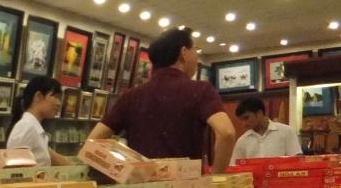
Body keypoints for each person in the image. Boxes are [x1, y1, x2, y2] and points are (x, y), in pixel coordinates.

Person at [86, 27, 236, 174]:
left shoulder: (130, 96)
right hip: (187, 186)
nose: (197, 57)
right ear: (184, 53)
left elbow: (92, 142)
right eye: (195, 49)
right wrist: (216, 178)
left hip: (141, 187)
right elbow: (226, 133)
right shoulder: (200, 90)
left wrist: (124, 172)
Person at [7, 76, 71, 166]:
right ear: (38, 96)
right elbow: (16, 168)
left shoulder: (33, 126)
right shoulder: (26, 126)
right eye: (56, 97)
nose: (59, 103)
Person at [230, 95, 303, 163]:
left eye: (246, 118)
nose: (244, 123)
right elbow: (235, 167)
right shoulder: (242, 141)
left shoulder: (286, 131)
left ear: (259, 113)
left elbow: (297, 161)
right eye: (241, 120)